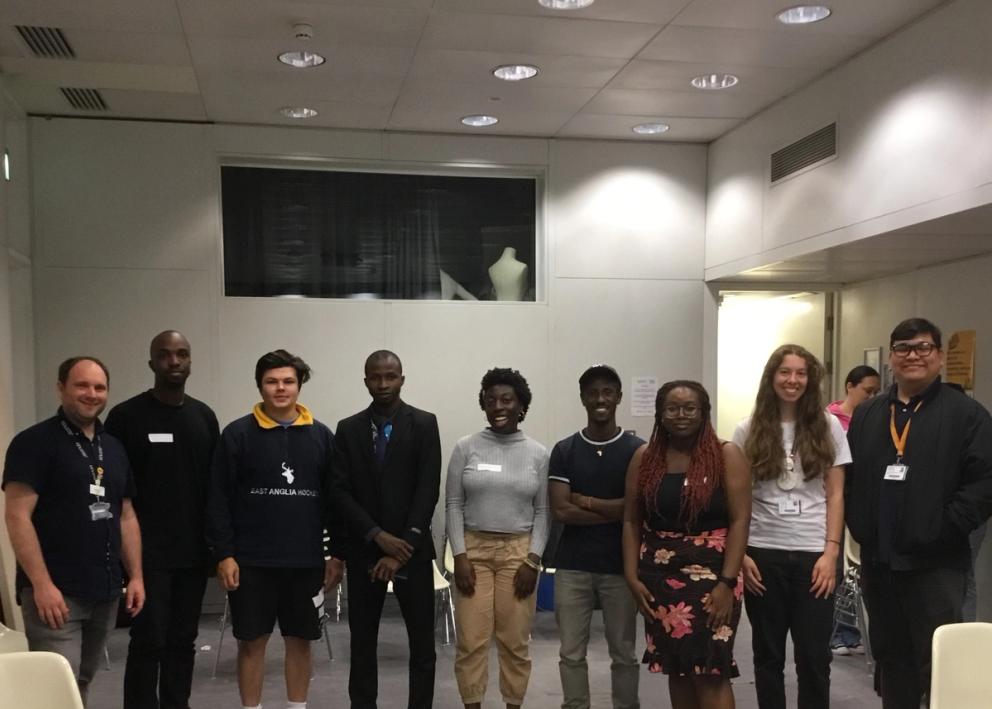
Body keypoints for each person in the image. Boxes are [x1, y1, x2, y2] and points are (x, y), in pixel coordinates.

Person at [846, 318, 992, 708]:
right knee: (891, 659)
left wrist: (941, 529)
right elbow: (851, 478)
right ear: (891, 358)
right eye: (903, 348)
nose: (913, 355)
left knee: (938, 663)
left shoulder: (968, 415)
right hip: (880, 563)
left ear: (940, 357)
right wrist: (860, 526)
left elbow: (982, 486)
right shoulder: (869, 414)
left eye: (923, 347)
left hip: (936, 564)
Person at [3, 356, 145, 706]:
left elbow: (125, 515)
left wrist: (137, 576)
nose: (91, 394)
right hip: (56, 594)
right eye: (82, 385)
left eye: (99, 387)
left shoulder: (111, 447)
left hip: (105, 590)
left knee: (80, 679)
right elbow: (17, 516)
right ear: (61, 388)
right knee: (56, 685)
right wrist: (41, 584)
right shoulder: (33, 443)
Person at [206, 349, 341, 709]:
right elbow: (218, 500)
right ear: (260, 386)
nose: (280, 388)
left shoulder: (322, 437)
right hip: (251, 564)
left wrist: (334, 555)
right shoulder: (237, 435)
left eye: (288, 381)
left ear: (299, 386)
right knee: (251, 643)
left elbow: (334, 503)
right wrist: (225, 554)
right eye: (271, 381)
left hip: (306, 563)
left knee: (300, 642)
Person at [105, 330, 220, 709]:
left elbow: (212, 489)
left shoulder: (204, 417)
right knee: (148, 639)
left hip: (191, 554)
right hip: (145, 556)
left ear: (190, 361)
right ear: (151, 362)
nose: (174, 361)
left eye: (182, 354)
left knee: (182, 640)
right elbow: (115, 493)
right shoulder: (125, 417)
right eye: (166, 355)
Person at [733, 345, 850, 709]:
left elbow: (836, 493)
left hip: (815, 556)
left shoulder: (828, 426)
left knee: (814, 658)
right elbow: (738, 499)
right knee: (767, 657)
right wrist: (741, 556)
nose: (793, 380)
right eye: (785, 372)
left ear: (810, 380)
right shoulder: (747, 429)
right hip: (762, 555)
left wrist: (832, 552)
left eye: (801, 373)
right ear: (771, 377)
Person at [622, 380, 750, 709]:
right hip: (659, 579)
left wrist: (726, 582)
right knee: (676, 668)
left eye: (690, 408)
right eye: (672, 408)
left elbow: (739, 520)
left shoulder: (726, 454)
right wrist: (632, 577)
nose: (681, 415)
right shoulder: (645, 457)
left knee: (710, 669)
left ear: (704, 412)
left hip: (712, 577)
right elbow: (632, 521)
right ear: (660, 414)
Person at [329, 350, 441, 709]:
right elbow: (340, 492)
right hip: (365, 551)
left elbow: (428, 489)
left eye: (390, 376)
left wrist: (402, 547)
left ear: (402, 379)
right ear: (365, 381)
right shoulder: (347, 429)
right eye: (375, 377)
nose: (383, 384)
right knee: (362, 644)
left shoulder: (424, 424)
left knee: (423, 646)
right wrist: (376, 535)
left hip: (413, 553)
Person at [446, 367, 550, 709]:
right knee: (472, 642)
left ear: (521, 405)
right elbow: (454, 504)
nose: (498, 406)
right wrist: (459, 556)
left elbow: (543, 512)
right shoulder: (466, 447)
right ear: (483, 405)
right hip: (472, 551)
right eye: (491, 400)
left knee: (514, 642)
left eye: (507, 399)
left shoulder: (538, 454)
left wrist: (532, 560)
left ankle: (513, 704)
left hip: (518, 554)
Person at [548, 364, 643, 709]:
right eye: (592, 393)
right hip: (573, 567)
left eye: (607, 392)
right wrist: (616, 510)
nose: (600, 399)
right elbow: (560, 511)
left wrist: (586, 501)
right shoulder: (565, 450)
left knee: (624, 654)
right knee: (571, 653)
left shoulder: (638, 450)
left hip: (622, 567)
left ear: (618, 397)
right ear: (583, 399)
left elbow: (637, 510)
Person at [825, 364, 879, 656]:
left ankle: (852, 631)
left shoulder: (876, 418)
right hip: (832, 501)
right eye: (866, 391)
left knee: (854, 569)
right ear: (849, 386)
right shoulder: (829, 420)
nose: (871, 396)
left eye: (875, 392)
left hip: (859, 503)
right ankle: (838, 633)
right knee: (835, 567)